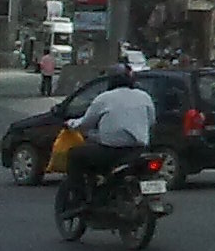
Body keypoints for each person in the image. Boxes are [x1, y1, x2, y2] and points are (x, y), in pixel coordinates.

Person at [59, 64, 154, 207]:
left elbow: (85, 123)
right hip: (139, 150)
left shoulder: (104, 98)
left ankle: (78, 198)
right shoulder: (144, 96)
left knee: (75, 155)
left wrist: (70, 124)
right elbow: (151, 121)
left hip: (112, 151)